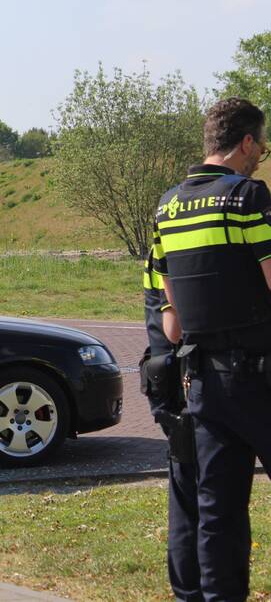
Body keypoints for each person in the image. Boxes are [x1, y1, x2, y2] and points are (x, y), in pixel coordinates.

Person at [152, 97, 271, 601]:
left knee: (217, 512)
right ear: (244, 142)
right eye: (261, 144)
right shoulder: (248, 197)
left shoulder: (167, 208)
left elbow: (172, 320)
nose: (262, 154)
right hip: (261, 377)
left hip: (203, 385)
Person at [140, 250, 200, 601]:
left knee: (187, 492)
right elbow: (173, 327)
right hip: (180, 384)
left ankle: (189, 590)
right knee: (192, 495)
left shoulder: (164, 240)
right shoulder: (172, 246)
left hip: (169, 379)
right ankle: (190, 591)